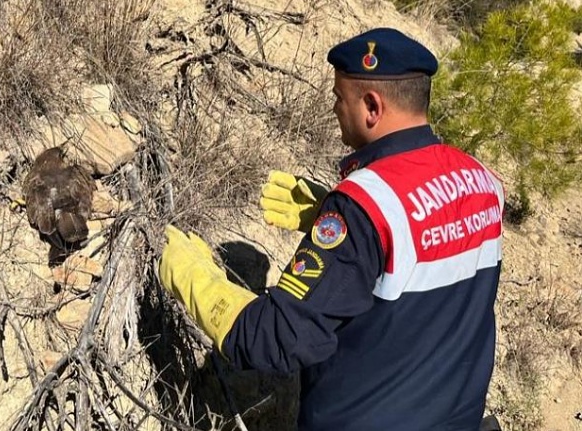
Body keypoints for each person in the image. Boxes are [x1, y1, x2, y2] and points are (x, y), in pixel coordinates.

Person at [159, 27, 505, 431]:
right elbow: (427, 252)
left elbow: (275, 338)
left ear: (371, 107)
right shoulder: (483, 181)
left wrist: (194, 277)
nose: (334, 109)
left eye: (339, 98)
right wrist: (344, 224)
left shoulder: (364, 204)